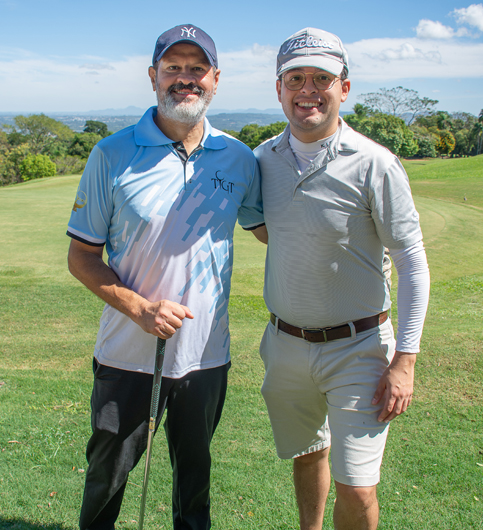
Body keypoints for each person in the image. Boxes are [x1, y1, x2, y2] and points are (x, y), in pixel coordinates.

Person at [67, 24, 264, 530]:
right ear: (153, 75)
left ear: (215, 79)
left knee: (194, 485)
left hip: (206, 356)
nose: (185, 78)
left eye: (197, 68)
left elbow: (270, 230)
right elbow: (82, 257)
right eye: (173, 67)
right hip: (126, 354)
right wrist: (140, 309)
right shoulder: (112, 154)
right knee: (106, 480)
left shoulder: (239, 158)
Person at [253, 28, 430, 530]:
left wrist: (406, 360)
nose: (307, 90)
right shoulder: (262, 159)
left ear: (344, 88)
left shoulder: (376, 163)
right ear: (279, 88)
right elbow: (271, 231)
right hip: (285, 345)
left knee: (358, 486)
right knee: (308, 456)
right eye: (295, 79)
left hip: (360, 349)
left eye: (322, 78)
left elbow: (412, 261)